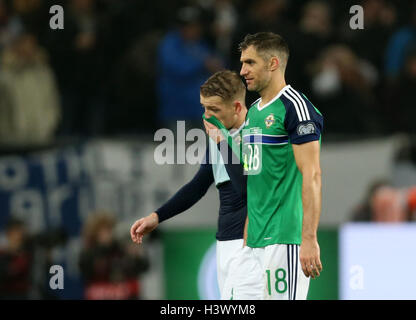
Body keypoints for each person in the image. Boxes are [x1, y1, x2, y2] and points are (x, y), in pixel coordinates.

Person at [207, 32, 324, 300]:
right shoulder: (255, 113)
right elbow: (255, 180)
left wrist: (308, 238)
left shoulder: (296, 108)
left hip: (285, 240)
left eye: (250, 63)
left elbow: (313, 174)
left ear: (272, 63)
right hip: (252, 242)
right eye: (242, 63)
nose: (242, 71)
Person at [131, 70, 262, 300]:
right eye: (204, 108)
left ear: (238, 108)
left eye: (214, 110)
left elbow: (246, 188)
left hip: (250, 244)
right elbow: (199, 185)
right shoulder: (220, 136)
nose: (206, 117)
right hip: (225, 243)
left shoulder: (256, 134)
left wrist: (222, 141)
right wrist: (157, 216)